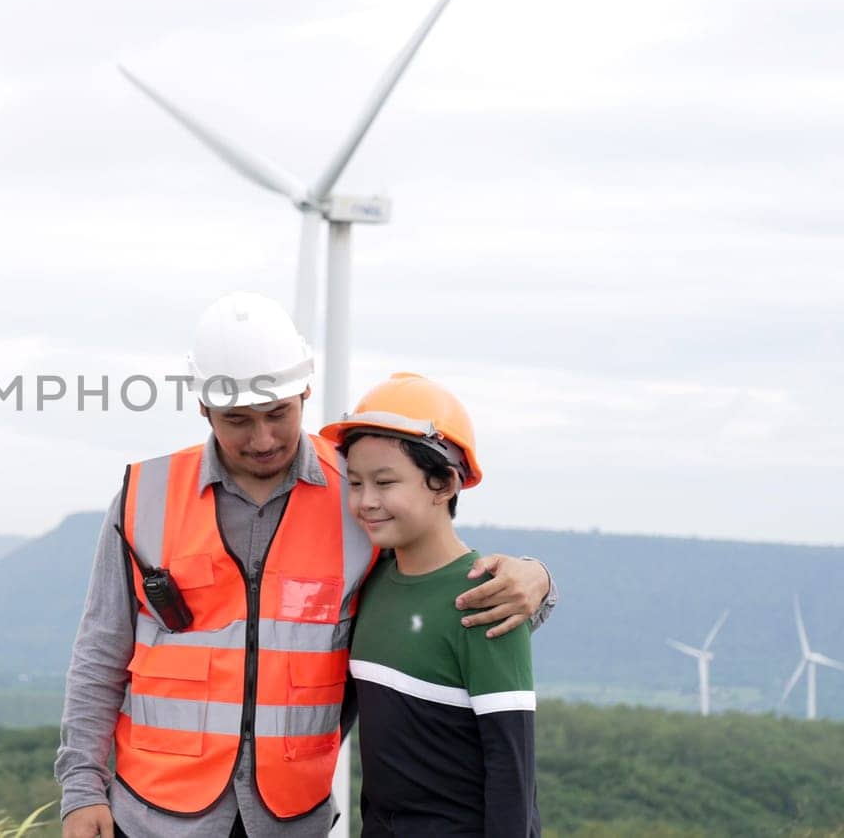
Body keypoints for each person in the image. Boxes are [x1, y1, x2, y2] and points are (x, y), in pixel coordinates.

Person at [56, 292, 555, 838]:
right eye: (237, 420)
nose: (262, 439)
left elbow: (436, 573)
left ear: (305, 392)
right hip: (151, 816)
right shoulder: (144, 497)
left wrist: (538, 578)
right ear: (203, 408)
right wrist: (81, 786)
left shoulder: (357, 495)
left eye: (278, 413)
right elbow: (100, 652)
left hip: (290, 819)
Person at [324, 373, 539, 836]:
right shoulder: (372, 578)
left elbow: (511, 773)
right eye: (356, 483)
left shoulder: (487, 600)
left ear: (444, 484)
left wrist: (538, 575)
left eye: (385, 482)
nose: (365, 502)